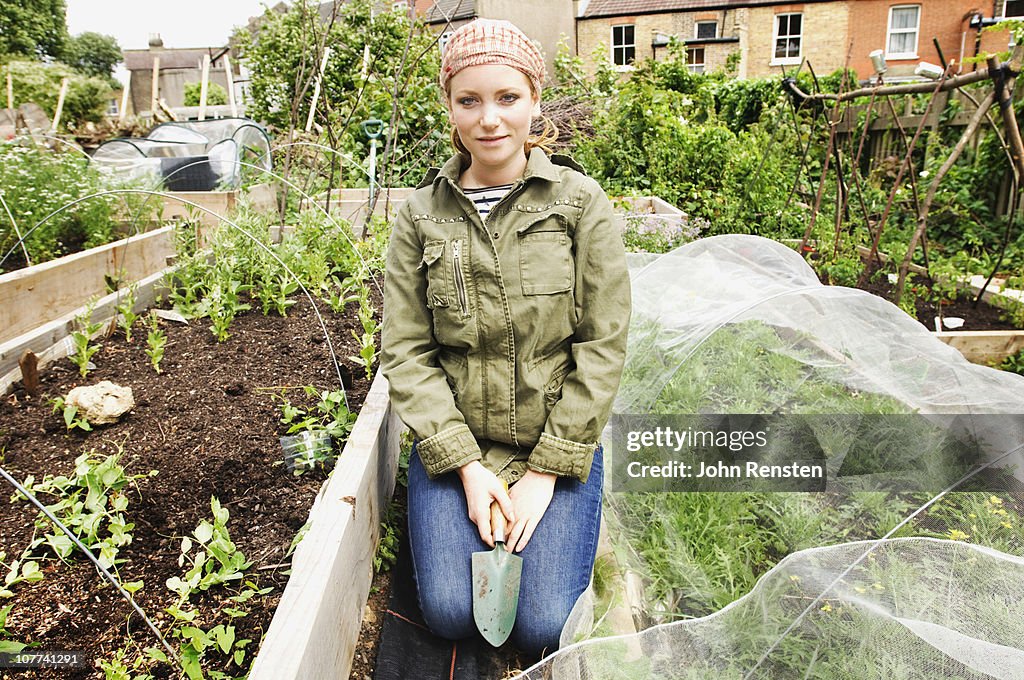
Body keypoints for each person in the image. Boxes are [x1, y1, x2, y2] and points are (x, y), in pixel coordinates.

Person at [381, 18, 630, 658]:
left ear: (534, 101)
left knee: (544, 627)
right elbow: (406, 351)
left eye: (506, 98)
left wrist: (546, 472)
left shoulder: (579, 204)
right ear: (450, 107)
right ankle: (482, 502)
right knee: (448, 614)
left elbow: (602, 344)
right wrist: (465, 467)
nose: (489, 119)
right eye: (469, 100)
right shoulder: (420, 215)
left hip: (555, 443)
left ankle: (564, 513)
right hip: (456, 443)